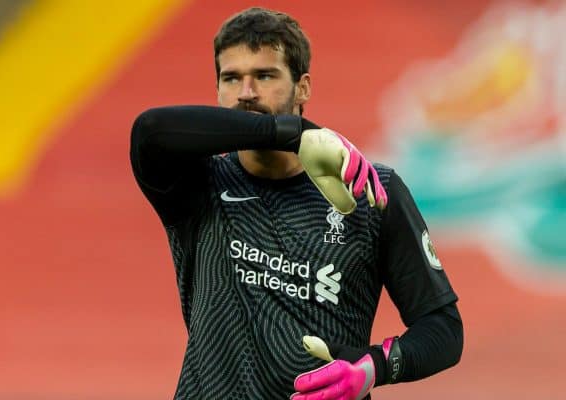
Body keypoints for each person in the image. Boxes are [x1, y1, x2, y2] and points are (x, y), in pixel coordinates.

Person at [130, 7, 463, 400]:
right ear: (217, 90)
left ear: (303, 87)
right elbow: (150, 131)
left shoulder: (369, 190)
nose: (246, 93)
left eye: (265, 76)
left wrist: (374, 366)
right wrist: (295, 132)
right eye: (231, 78)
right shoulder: (199, 184)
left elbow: (443, 330)